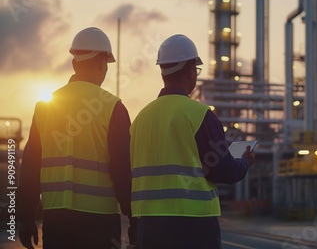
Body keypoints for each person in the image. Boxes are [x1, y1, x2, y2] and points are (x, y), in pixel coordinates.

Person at [130, 34, 256, 249]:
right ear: (190, 71)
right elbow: (222, 170)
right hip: (192, 226)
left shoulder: (140, 118)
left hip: (149, 226)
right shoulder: (199, 114)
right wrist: (245, 162)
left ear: (163, 71)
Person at [17, 27, 136, 249]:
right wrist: (134, 218)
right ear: (102, 63)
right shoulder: (112, 107)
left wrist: (25, 217)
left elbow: (30, 168)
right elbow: (123, 170)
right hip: (99, 223)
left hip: (56, 221)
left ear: (74, 63)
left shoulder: (45, 107)